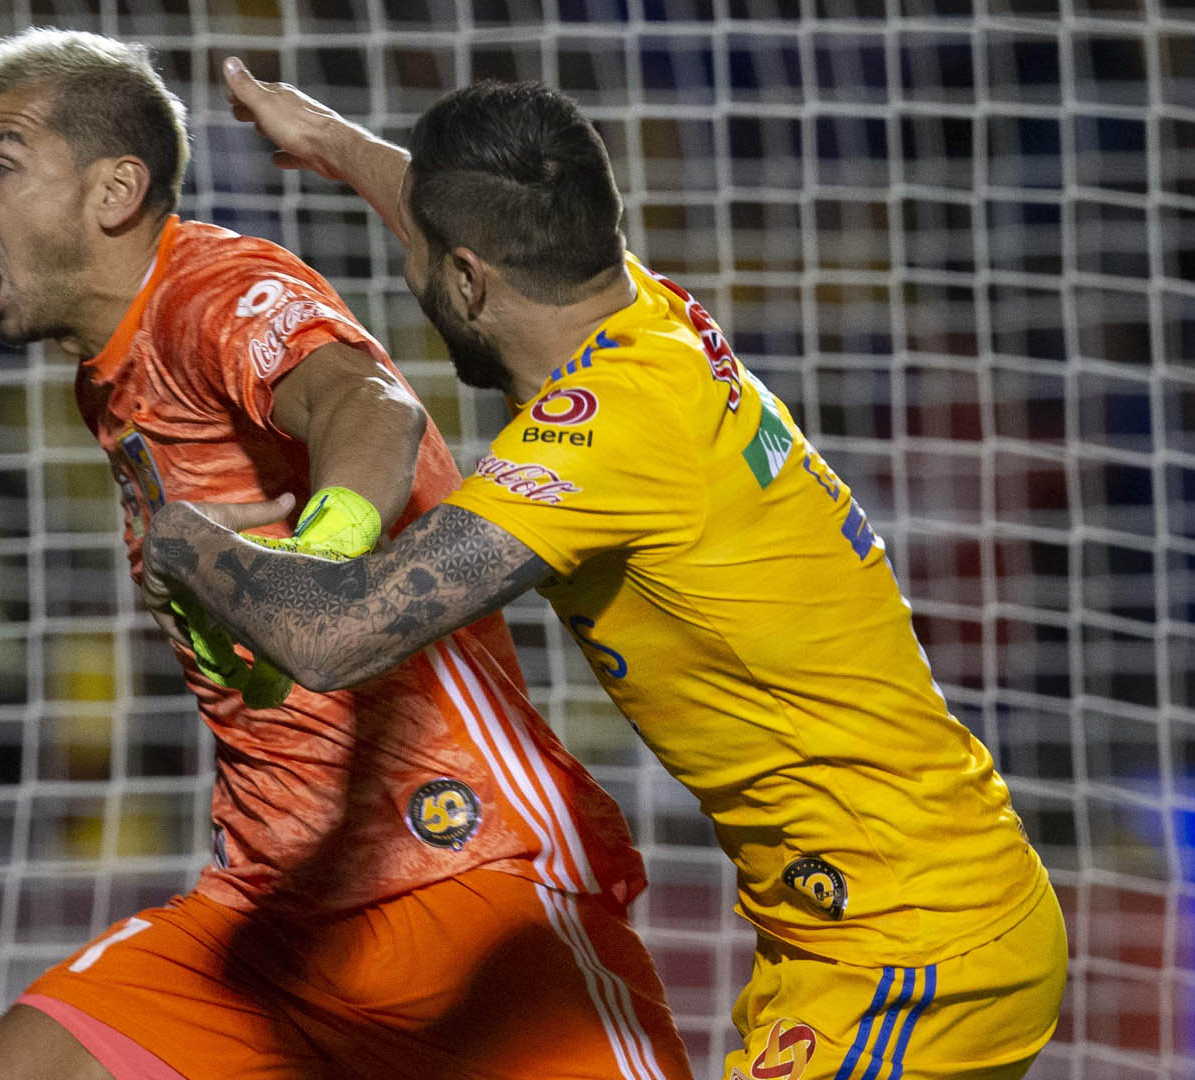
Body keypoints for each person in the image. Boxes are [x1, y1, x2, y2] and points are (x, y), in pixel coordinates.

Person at [143, 66, 1069, 1080]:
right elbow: (473, 217)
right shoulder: (649, 314)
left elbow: (334, 634)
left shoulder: (594, 447)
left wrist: (182, 537)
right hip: (895, 917)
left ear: (467, 279)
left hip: (913, 946)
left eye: (427, 260)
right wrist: (330, 139)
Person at [0, 28, 694, 1080]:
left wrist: (328, 553)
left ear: (115, 192)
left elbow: (366, 401)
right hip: (276, 909)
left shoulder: (211, 289)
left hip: (461, 878)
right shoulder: (109, 372)